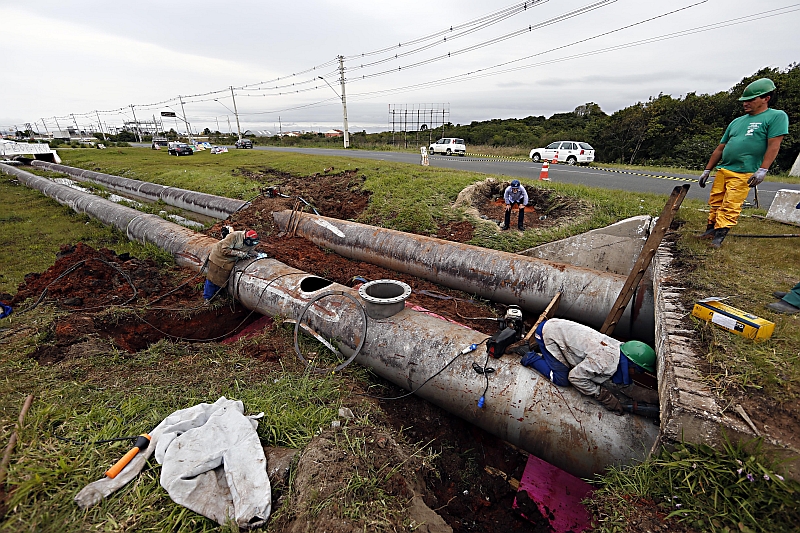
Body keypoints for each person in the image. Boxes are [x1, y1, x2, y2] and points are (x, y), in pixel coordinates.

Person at [697, 78, 789, 248]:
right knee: (716, 200)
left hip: (744, 171)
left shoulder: (776, 116)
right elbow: (720, 148)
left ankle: (719, 236)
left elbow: (774, 145)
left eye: (751, 100)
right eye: (744, 100)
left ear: (765, 98)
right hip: (724, 169)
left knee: (731, 203)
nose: (745, 104)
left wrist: (763, 169)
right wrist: (707, 170)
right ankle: (710, 230)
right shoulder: (737, 121)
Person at [517, 318, 657, 414]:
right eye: (638, 371)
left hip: (560, 329)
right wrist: (602, 395)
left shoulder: (620, 349)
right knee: (562, 379)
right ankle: (530, 356)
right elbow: (575, 378)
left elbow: (624, 385)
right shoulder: (604, 362)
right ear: (632, 364)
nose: (636, 374)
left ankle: (546, 358)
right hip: (548, 334)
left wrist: (652, 397)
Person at [203, 227, 260, 302]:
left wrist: (254, 254)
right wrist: (239, 253)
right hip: (219, 257)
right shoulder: (234, 236)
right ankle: (207, 297)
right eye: (252, 242)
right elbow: (224, 249)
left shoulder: (252, 242)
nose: (253, 244)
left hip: (229, 261)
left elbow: (249, 250)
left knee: (221, 279)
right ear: (247, 238)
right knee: (212, 278)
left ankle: (217, 294)